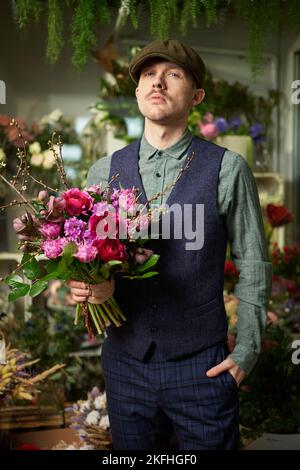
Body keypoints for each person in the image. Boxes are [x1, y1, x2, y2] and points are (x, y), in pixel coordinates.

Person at [68, 39, 272, 450]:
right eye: (147, 74)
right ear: (138, 90)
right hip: (126, 364)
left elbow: (253, 264)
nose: (157, 82)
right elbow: (93, 260)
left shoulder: (227, 168)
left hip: (202, 366)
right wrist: (92, 290)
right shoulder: (103, 171)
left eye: (172, 74)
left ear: (196, 95)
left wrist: (247, 352)